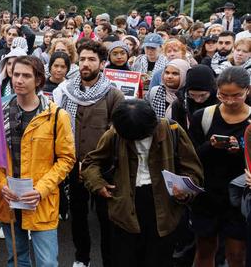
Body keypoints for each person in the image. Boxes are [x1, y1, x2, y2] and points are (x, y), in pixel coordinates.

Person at [81, 99, 204, 267]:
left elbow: (193, 169)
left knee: (159, 259)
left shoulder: (172, 130)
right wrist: (98, 184)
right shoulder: (115, 133)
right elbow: (91, 163)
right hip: (124, 205)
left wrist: (185, 190)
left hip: (164, 207)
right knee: (124, 259)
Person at [0, 55, 75, 266]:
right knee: (17, 260)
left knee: (47, 263)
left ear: (39, 80)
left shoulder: (56, 115)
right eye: (16, 74)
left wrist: (41, 189)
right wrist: (2, 185)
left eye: (26, 76)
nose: (19, 80)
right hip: (9, 199)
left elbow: (66, 159)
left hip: (41, 200)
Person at [55, 40, 125, 267]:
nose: (86, 64)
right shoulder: (65, 91)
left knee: (107, 220)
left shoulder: (113, 94)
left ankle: (109, 261)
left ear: (102, 64)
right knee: (78, 216)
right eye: (82, 59)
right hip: (73, 165)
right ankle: (81, 258)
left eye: (92, 60)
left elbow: (119, 135)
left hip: (104, 169)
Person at [189, 66, 250, 267]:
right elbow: (190, 157)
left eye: (236, 96)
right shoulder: (203, 116)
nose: (230, 101)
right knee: (205, 251)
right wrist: (210, 146)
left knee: (236, 255)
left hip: (239, 200)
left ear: (247, 90)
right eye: (223, 95)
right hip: (206, 196)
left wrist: (240, 152)